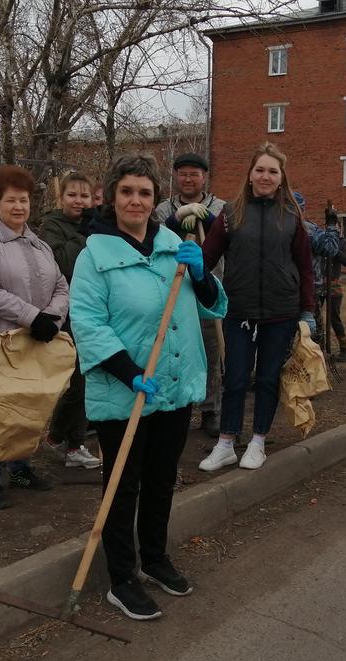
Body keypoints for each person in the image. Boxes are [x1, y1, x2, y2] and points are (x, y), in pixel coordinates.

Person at [69, 153, 227, 620]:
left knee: (162, 478)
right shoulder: (93, 255)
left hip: (174, 386)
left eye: (144, 192)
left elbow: (215, 307)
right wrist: (127, 372)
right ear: (112, 197)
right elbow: (89, 323)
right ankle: (122, 577)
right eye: (127, 191)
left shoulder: (173, 244)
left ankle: (155, 558)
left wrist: (202, 276)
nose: (136, 200)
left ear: (155, 198)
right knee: (123, 486)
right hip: (127, 391)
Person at [198, 142, 316, 472]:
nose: (265, 176)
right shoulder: (231, 214)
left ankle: (258, 441)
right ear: (250, 175)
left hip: (281, 312)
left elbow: (305, 267)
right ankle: (225, 443)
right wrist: (191, 265)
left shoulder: (292, 216)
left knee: (267, 378)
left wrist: (308, 311)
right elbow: (207, 258)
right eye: (260, 170)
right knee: (234, 378)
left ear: (281, 178)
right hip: (238, 311)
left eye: (272, 171)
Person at [0, 165, 69, 509]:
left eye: (23, 200)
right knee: (11, 411)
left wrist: (51, 320)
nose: (18, 207)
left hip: (39, 340)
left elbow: (60, 285)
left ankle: (21, 468)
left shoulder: (37, 242)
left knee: (34, 408)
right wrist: (32, 317)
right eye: (11, 200)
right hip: (6, 342)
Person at [154, 153, 226, 438]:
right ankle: (172, 405)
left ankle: (210, 410)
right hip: (172, 291)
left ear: (204, 177)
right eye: (182, 173)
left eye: (194, 174)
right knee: (171, 350)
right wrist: (174, 221)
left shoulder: (219, 206)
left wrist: (209, 221)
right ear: (175, 176)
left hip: (208, 290)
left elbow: (227, 236)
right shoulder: (162, 209)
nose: (188, 179)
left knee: (211, 351)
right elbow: (154, 236)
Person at [38, 171, 102, 469]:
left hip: (95, 308)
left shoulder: (96, 223)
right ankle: (61, 439)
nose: (79, 201)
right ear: (60, 197)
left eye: (84, 195)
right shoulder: (52, 225)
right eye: (72, 195)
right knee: (78, 381)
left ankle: (69, 441)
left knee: (90, 379)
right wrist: (87, 235)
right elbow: (62, 261)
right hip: (67, 312)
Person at [294, 192, 346, 361]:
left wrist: (334, 247)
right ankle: (309, 360)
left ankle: (342, 349)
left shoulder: (340, 242)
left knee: (332, 318)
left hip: (331, 285)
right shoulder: (315, 232)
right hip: (314, 285)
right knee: (312, 326)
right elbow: (327, 247)